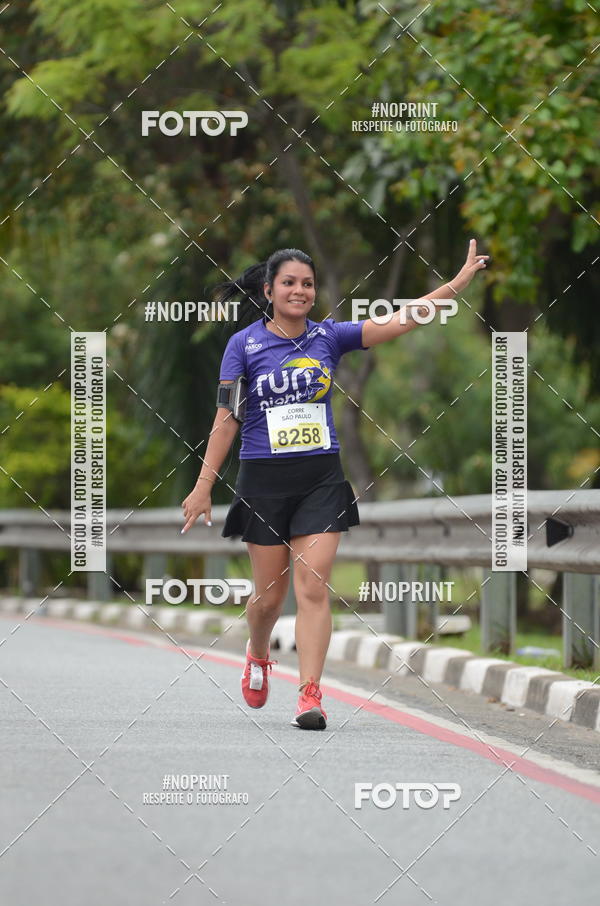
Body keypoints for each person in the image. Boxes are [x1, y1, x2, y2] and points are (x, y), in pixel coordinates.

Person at [181, 243, 488, 729]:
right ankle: (257, 653)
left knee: (314, 585)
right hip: (263, 481)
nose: (299, 290)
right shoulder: (243, 345)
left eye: (307, 283)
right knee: (267, 601)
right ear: (269, 290)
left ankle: (309, 694)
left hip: (320, 480)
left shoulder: (330, 337)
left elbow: (402, 320)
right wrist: (203, 487)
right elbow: (227, 418)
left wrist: (456, 283)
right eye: (289, 283)